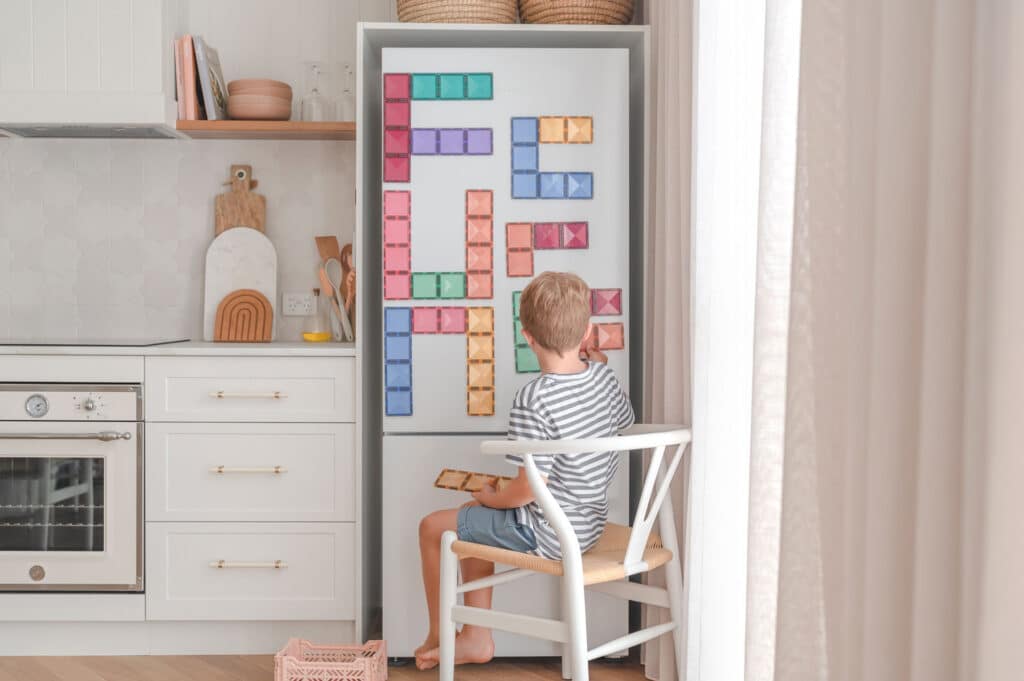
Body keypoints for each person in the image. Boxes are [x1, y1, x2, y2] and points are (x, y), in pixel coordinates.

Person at [415, 271, 635, 670]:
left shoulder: (533, 398)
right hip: (589, 525)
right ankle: (476, 635)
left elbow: (527, 492)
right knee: (474, 521)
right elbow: (627, 416)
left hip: (549, 533)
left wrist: (490, 496)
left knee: (433, 526)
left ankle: (442, 635)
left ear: (527, 336)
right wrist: (599, 363)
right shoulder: (603, 378)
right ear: (587, 332)